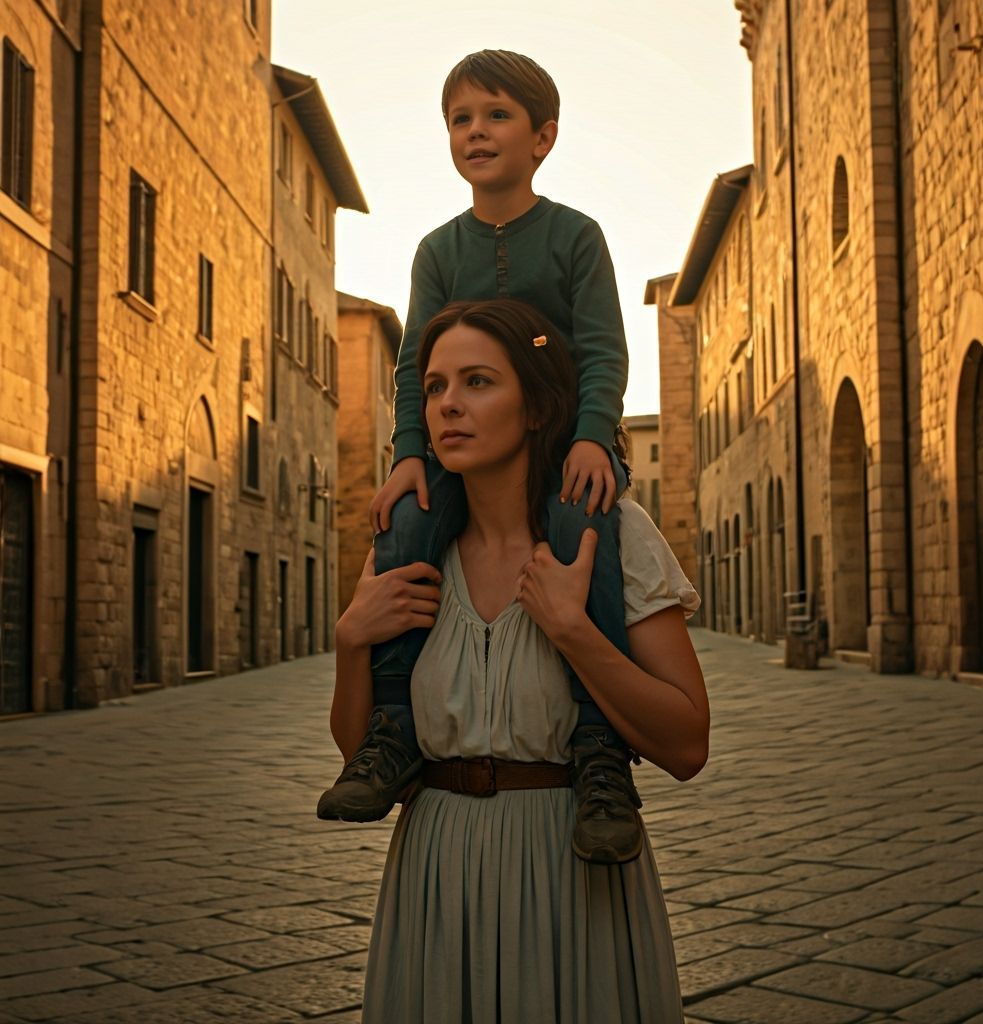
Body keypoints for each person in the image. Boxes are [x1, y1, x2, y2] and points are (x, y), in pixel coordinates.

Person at [331, 298, 709, 1023]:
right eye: (436, 387)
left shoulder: (616, 536)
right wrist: (352, 642)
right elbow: (359, 752)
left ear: (536, 406)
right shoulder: (404, 551)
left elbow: (688, 744)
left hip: (573, 880)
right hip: (435, 881)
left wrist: (575, 631)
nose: (448, 407)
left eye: (477, 382)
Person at [318, 49, 646, 863]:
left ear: (543, 137)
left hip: (566, 445)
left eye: (495, 115)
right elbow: (413, 368)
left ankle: (602, 751)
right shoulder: (438, 250)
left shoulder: (575, 236)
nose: (475, 132)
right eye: (460, 119)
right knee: (405, 520)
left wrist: (591, 439)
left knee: (585, 519)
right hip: (463, 449)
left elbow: (604, 350)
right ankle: (390, 729)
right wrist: (406, 454)